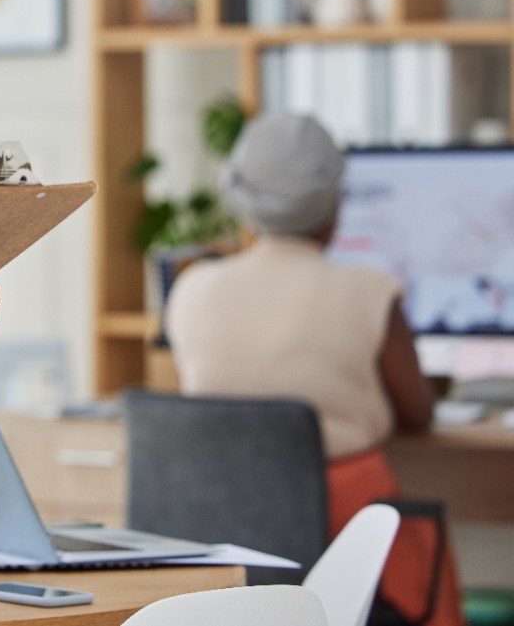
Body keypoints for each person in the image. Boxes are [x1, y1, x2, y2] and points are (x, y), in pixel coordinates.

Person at [165, 112, 463, 626]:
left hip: (222, 553)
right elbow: (417, 414)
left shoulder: (192, 287)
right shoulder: (371, 292)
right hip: (338, 549)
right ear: (334, 203)